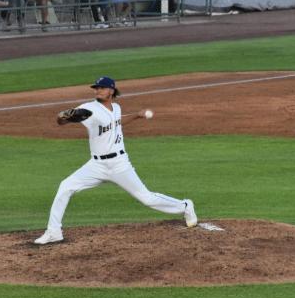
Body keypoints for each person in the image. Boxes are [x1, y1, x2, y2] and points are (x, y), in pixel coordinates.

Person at [34, 76, 197, 244]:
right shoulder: (89, 108)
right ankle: (54, 232)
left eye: (102, 88)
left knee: (147, 198)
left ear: (111, 90)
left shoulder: (116, 108)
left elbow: (116, 122)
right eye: (96, 88)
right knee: (65, 186)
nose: (98, 90)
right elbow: (62, 122)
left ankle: (185, 206)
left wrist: (136, 115)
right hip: (96, 165)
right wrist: (62, 116)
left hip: (120, 165)